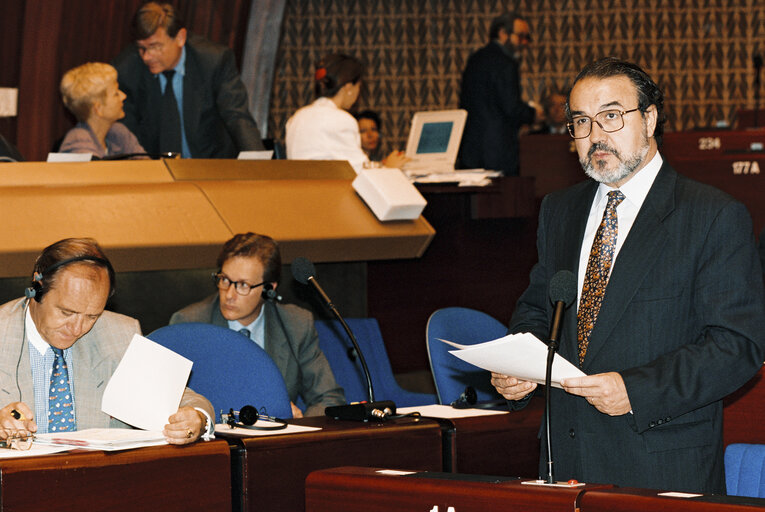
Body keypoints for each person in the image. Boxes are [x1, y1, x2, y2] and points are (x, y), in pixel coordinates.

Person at [490, 58, 765, 494]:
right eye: (582, 121)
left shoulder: (711, 216)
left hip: (660, 467)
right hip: (564, 462)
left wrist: (636, 390)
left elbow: (737, 347)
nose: (596, 135)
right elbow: (539, 311)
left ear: (650, 118)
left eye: (612, 116)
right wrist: (518, 368)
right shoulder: (559, 211)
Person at [0, 238, 214, 444]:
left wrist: (198, 418)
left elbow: (185, 401)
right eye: (66, 312)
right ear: (37, 289)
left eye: (91, 316)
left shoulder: (118, 334)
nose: (77, 328)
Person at [169, 233, 345, 417]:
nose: (229, 294)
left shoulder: (296, 324)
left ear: (269, 288)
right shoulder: (189, 325)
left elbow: (329, 398)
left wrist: (299, 427)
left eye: (243, 285)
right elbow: (169, 402)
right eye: (225, 280)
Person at [112, 1, 264, 158]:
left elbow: (237, 117)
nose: (147, 56)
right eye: (141, 48)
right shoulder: (127, 70)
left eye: (155, 46)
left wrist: (259, 163)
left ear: (180, 37)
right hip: (155, 171)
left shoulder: (214, 62)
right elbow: (127, 136)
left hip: (211, 167)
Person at [285, 53, 407, 173]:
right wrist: (391, 168)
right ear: (349, 88)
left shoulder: (297, 117)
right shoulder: (341, 119)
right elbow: (362, 176)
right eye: (359, 86)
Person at [458, 12, 540, 175]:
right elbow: (511, 108)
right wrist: (534, 114)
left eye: (527, 37)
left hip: (470, 150)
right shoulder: (505, 63)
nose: (524, 42)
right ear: (503, 33)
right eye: (521, 36)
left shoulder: (475, 58)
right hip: (497, 152)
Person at [59, 62, 146, 159]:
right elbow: (98, 173)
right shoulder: (77, 142)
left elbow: (148, 168)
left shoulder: (119, 133)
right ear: (98, 108)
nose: (123, 96)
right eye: (116, 94)